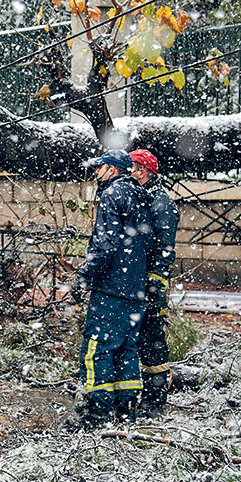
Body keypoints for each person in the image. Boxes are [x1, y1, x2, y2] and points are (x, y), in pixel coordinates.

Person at [69, 149, 151, 429]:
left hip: (112, 288)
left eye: (99, 168)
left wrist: (84, 277)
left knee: (97, 350)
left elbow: (105, 246)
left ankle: (97, 416)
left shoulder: (112, 195)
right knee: (126, 350)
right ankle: (125, 413)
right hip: (135, 289)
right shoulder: (142, 196)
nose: (95, 173)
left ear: (112, 170)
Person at [129, 149, 180, 418]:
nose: (129, 174)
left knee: (153, 341)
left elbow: (164, 250)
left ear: (145, 172)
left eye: (133, 169)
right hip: (134, 281)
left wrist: (155, 282)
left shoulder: (161, 204)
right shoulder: (141, 199)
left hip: (151, 286)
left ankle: (154, 402)